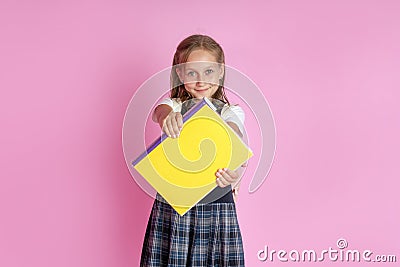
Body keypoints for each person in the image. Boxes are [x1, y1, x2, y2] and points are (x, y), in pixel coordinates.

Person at [140, 34, 247, 267]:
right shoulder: (175, 107)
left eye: (208, 72)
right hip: (174, 204)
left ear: (220, 72)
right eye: (191, 73)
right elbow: (160, 110)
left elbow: (235, 131)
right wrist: (169, 117)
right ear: (180, 74)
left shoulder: (231, 111)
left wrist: (236, 169)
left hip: (216, 207)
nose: (201, 81)